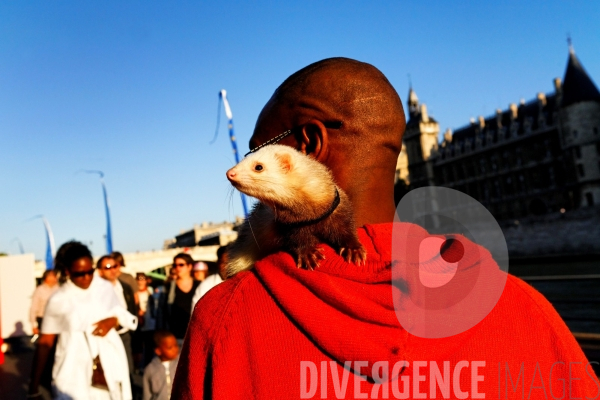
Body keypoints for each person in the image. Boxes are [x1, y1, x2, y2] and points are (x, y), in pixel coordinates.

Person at [172, 58, 599, 398]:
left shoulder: (225, 321)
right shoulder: (523, 310)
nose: (236, 173)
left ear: (307, 147)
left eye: (259, 154)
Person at [28, 241, 137, 400]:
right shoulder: (59, 300)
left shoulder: (104, 287)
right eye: (80, 273)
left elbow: (121, 315)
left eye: (90, 271)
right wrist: (33, 388)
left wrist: (113, 321)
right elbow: (46, 343)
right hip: (73, 371)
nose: (86, 277)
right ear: (68, 271)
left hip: (108, 369)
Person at [97, 255, 138, 376]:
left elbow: (132, 311)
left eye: (115, 266)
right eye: (108, 267)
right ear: (100, 271)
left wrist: (136, 343)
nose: (112, 270)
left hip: (125, 334)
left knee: (128, 371)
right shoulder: (96, 291)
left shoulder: (125, 287)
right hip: (107, 337)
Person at [164, 253, 200, 345]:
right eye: (175, 265)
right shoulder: (169, 287)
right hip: (176, 335)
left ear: (189, 266)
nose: (177, 268)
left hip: (196, 333)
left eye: (181, 265)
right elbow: (163, 312)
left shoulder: (200, 285)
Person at [142, 330, 180, 400]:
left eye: (176, 345)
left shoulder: (181, 365)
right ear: (158, 351)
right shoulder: (150, 369)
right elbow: (147, 394)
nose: (175, 349)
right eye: (170, 347)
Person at [30, 270, 58, 335]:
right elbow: (34, 307)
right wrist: (33, 325)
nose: (55, 278)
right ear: (46, 277)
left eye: (54, 276)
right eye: (52, 276)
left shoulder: (59, 289)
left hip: (57, 319)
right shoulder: (40, 290)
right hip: (43, 319)